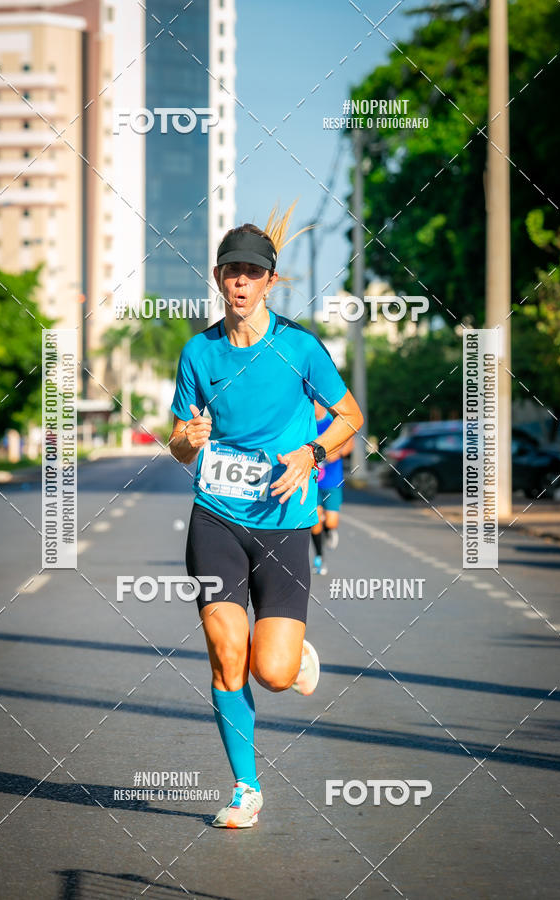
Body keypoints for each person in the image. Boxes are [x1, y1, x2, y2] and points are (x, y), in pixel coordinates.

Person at [169, 205, 363, 828]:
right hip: (216, 518)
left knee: (272, 674)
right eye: (232, 271)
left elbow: (352, 418)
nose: (241, 282)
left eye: (253, 273)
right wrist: (187, 441)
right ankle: (245, 788)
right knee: (227, 652)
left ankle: (294, 655)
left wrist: (312, 453)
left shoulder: (300, 348)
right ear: (218, 278)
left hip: (283, 523)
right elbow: (177, 442)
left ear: (270, 282)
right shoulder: (198, 353)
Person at [311, 400, 354, 575]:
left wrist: (339, 453)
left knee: (330, 521)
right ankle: (319, 557)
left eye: (315, 402)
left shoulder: (333, 422)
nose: (313, 405)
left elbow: (349, 440)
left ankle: (330, 530)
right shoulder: (306, 423)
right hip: (313, 481)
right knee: (315, 521)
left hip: (332, 481)